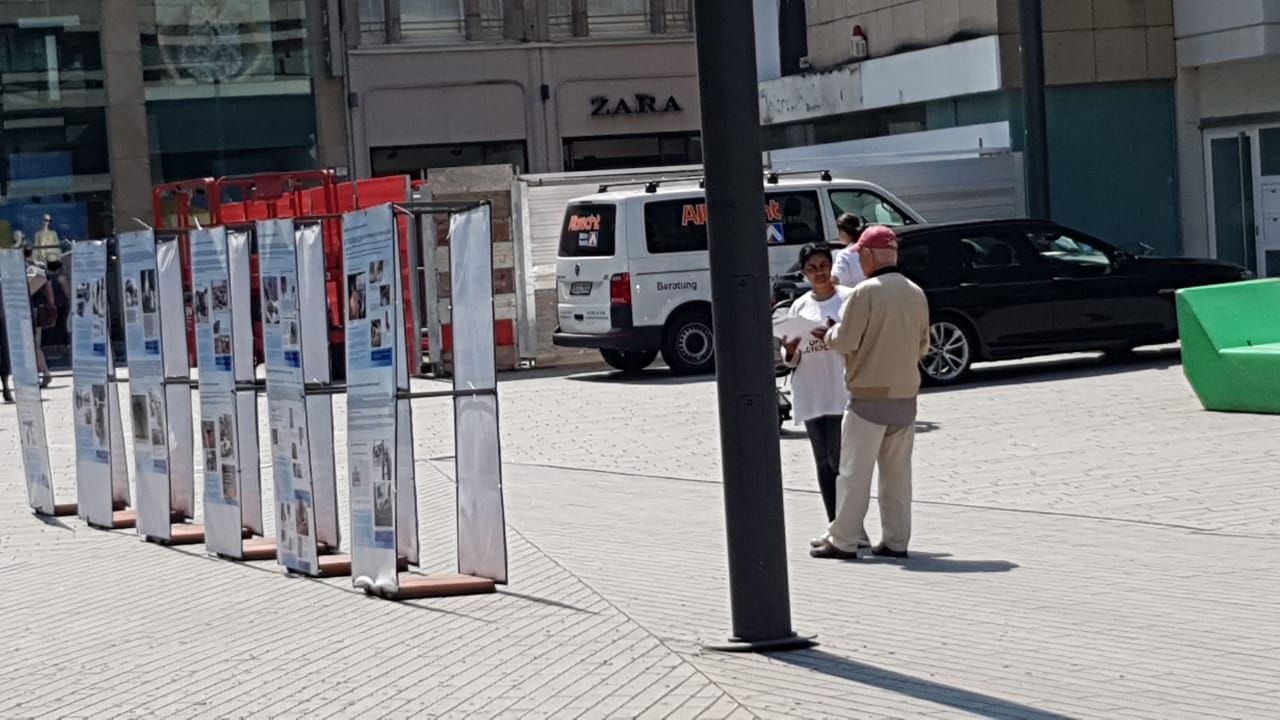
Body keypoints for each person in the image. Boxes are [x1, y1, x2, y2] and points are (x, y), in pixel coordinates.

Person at [810, 225, 930, 561]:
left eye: (860, 255)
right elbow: (923, 346)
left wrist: (830, 334)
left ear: (868, 255)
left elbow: (846, 340)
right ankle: (896, 541)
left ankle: (844, 540)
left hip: (868, 398)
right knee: (898, 477)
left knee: (853, 474)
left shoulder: (865, 293)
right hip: (905, 397)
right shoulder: (915, 292)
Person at [780, 243, 854, 527]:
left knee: (840, 460)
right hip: (811, 391)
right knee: (822, 460)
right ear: (804, 273)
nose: (819, 272)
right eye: (812, 268)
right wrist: (790, 350)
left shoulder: (848, 299)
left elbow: (858, 341)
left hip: (840, 389)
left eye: (823, 266)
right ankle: (834, 522)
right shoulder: (799, 305)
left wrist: (833, 335)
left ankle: (850, 524)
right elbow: (791, 357)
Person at [25, 248, 54, 388]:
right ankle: (42, 373)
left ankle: (45, 373)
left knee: (33, 344)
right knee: (34, 343)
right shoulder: (40, 267)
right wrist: (52, 307)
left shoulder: (27, 269)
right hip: (39, 309)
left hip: (32, 309)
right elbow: (49, 290)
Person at [831, 213, 866, 287]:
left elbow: (834, 278)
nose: (838, 234)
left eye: (840, 231)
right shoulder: (869, 250)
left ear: (846, 232)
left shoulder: (844, 254)